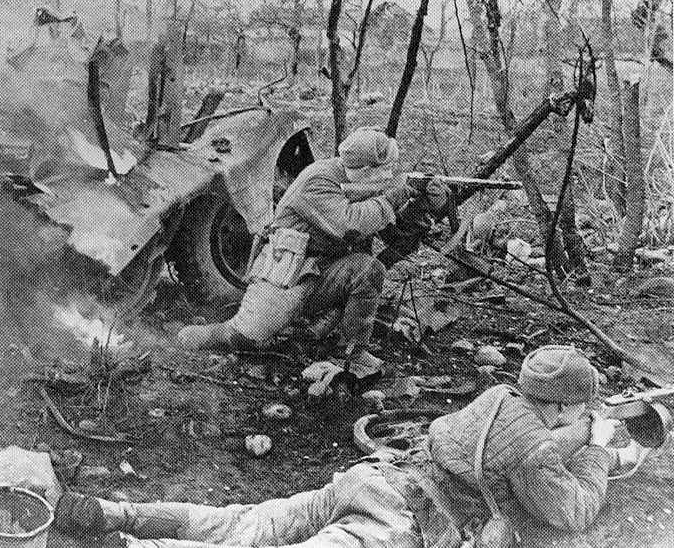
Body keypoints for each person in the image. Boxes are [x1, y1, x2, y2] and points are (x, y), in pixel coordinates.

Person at [54, 345, 638, 547]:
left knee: (244, 525)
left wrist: (577, 432)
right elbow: (572, 511)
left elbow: (504, 445)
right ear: (563, 406)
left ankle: (113, 513)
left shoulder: (496, 399)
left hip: (374, 477)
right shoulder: (544, 449)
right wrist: (598, 449)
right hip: (405, 519)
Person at [177, 127, 450, 364]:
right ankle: (201, 335)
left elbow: (391, 231)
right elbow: (349, 224)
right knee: (246, 338)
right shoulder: (317, 179)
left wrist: (420, 207)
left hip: (320, 275)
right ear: (365, 170)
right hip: (286, 277)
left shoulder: (359, 183)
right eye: (383, 172)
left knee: (369, 270)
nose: (388, 177)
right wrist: (394, 196)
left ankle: (353, 354)